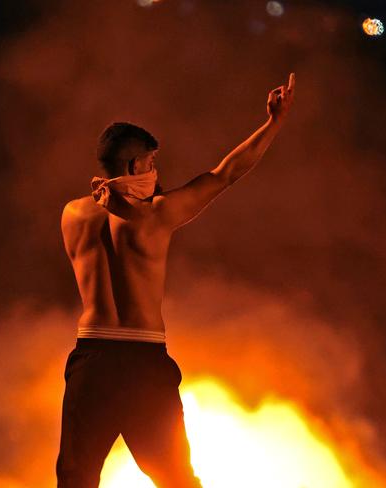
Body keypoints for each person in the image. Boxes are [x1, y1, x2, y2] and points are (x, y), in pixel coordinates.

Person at [56, 73, 296, 487]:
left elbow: (116, 214)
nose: (155, 171)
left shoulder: (73, 214)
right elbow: (225, 174)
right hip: (143, 362)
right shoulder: (158, 215)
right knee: (176, 480)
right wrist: (273, 123)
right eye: (150, 163)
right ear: (133, 166)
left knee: (75, 478)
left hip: (90, 360)